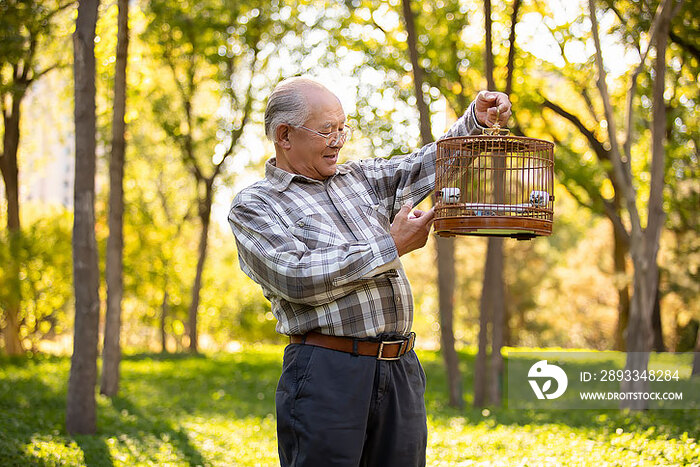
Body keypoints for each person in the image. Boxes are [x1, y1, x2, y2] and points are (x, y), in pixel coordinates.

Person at [228, 77, 511, 467]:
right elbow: (295, 277)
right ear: (284, 135)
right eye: (327, 130)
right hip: (327, 371)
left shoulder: (359, 179)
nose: (339, 139)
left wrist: (475, 123)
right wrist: (390, 246)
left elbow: (424, 164)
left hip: (400, 368)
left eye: (343, 127)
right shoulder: (256, 205)